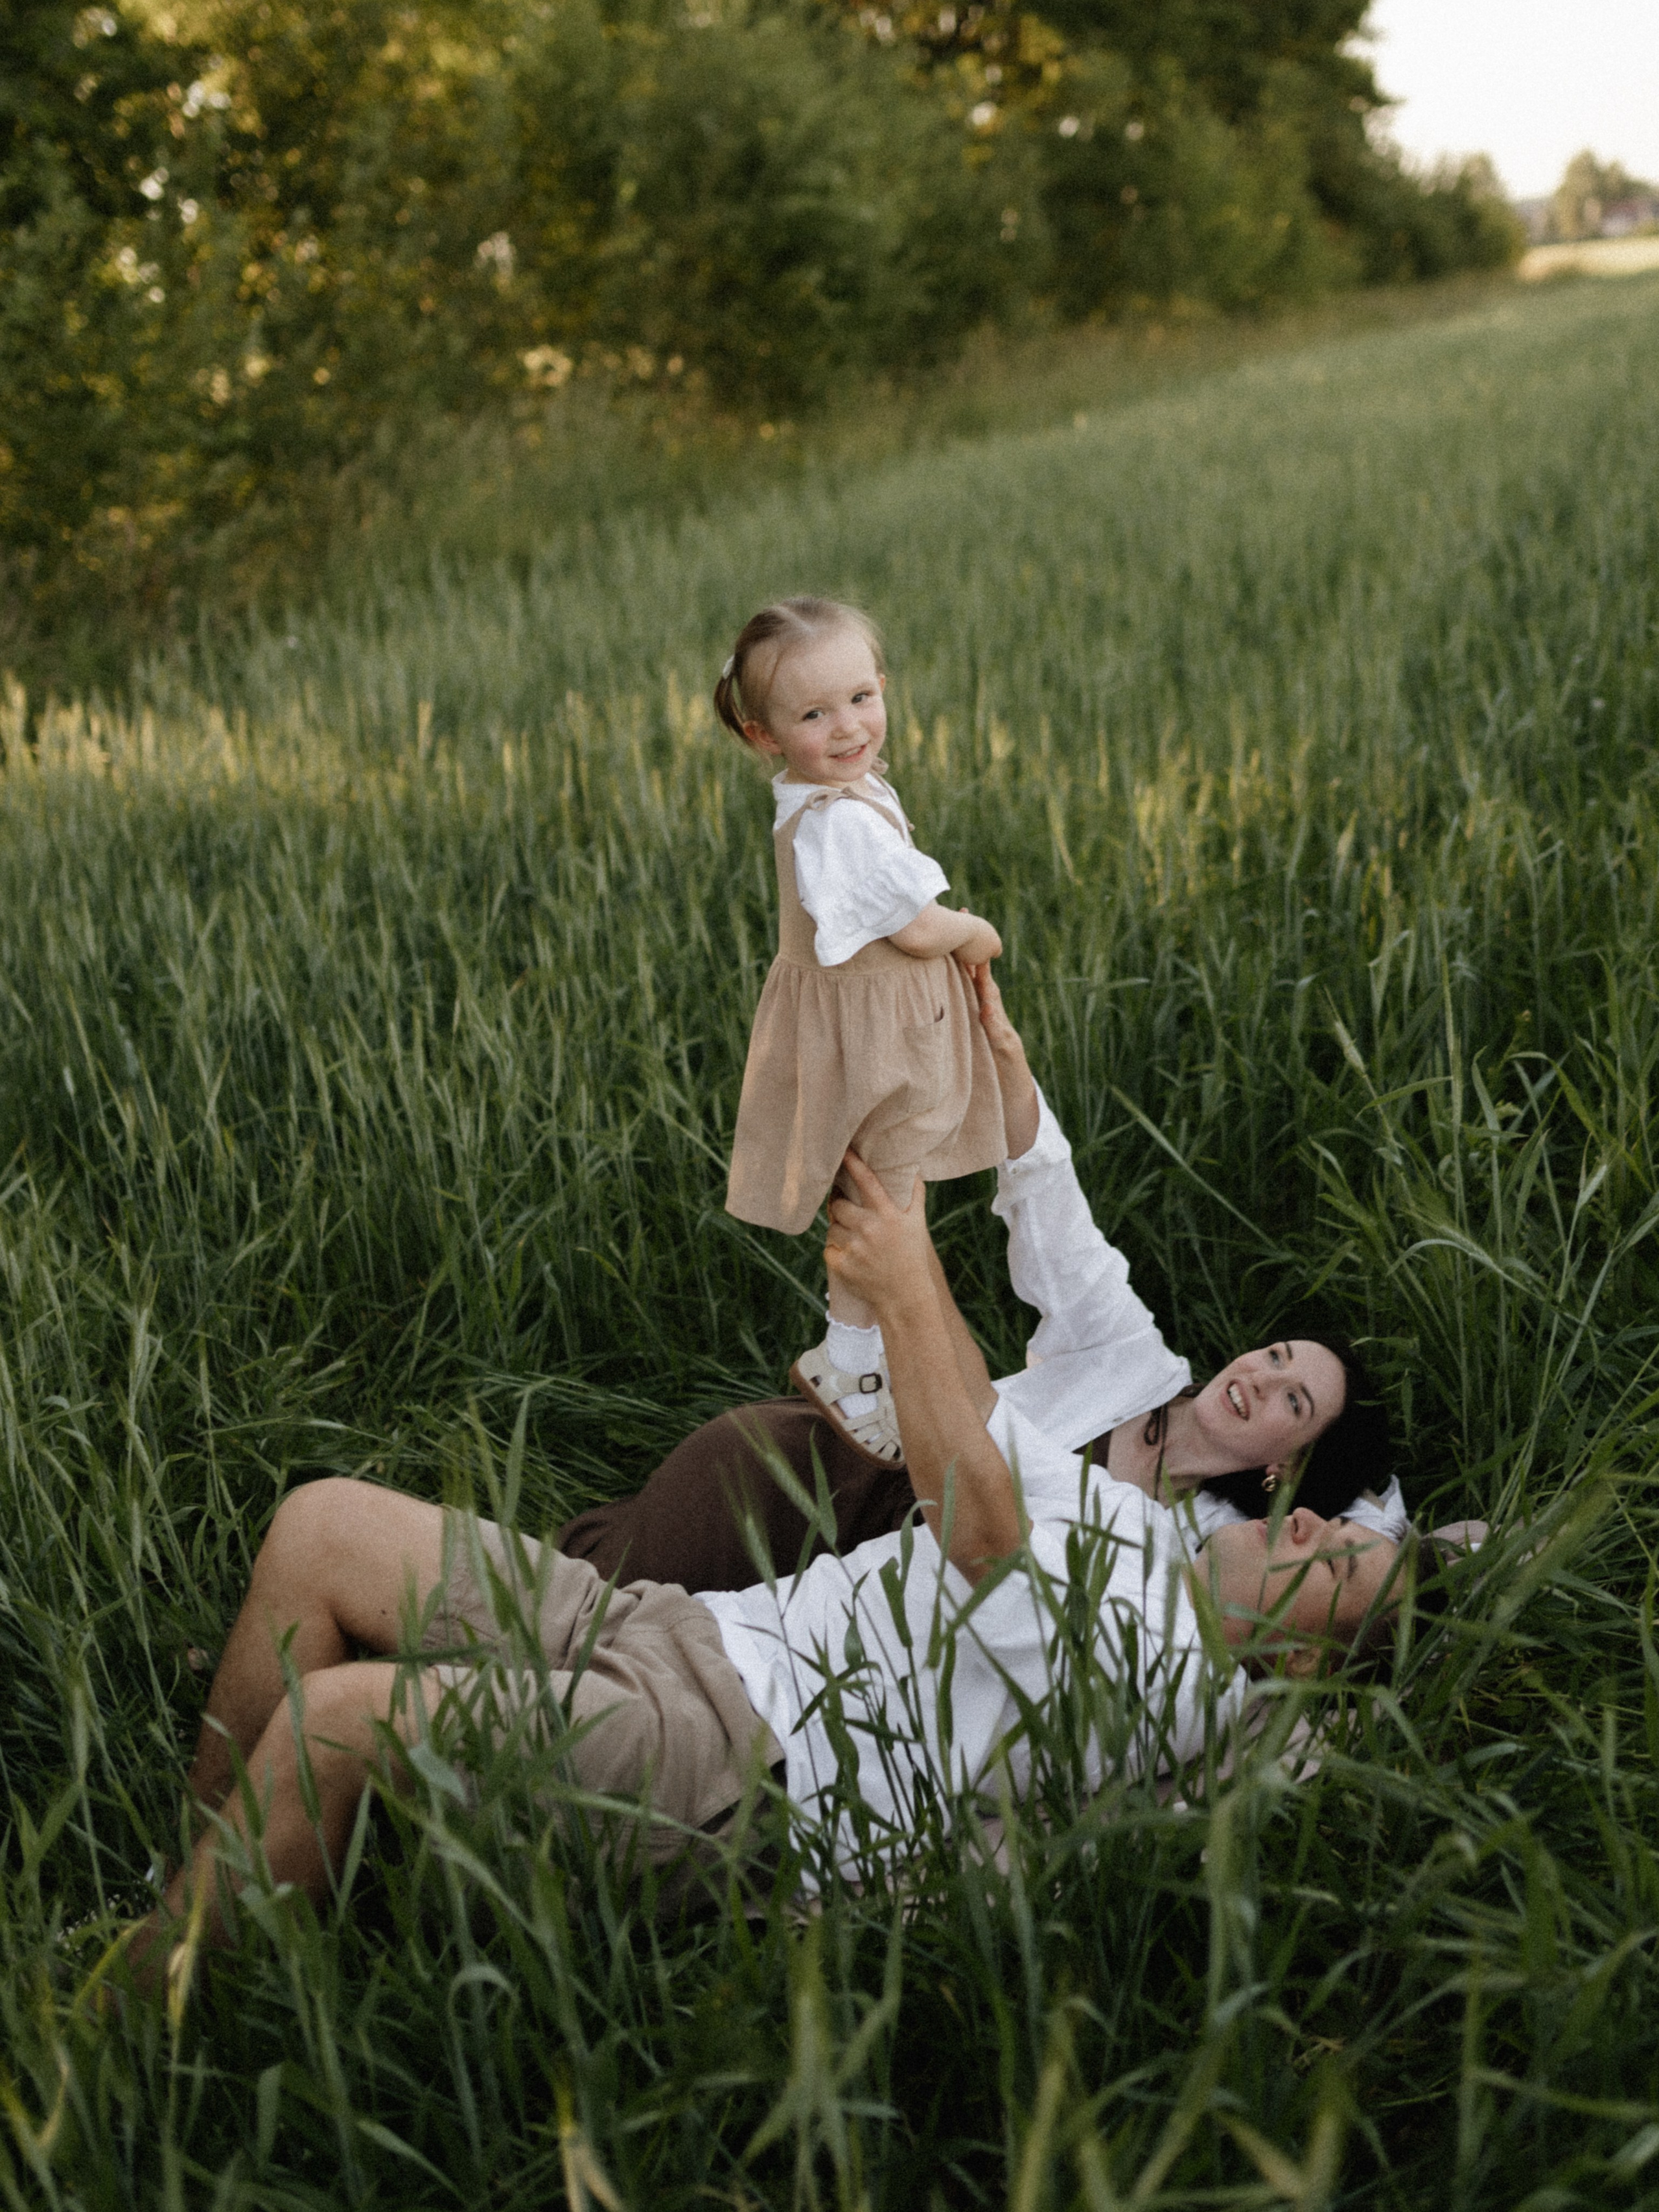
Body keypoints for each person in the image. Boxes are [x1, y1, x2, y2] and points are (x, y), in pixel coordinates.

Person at [136, 1151, 1402, 1977]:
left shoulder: (1172, 1677)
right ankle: (200, 1892)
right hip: (695, 1630)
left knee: (350, 1719)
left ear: (1288, 1657)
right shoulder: (1127, 1526)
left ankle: (150, 2017)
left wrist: (906, 1294)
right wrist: (897, 1243)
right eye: (1325, 1522)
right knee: (321, 1522)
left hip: (741, 1758)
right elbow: (970, 1415)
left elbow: (984, 1543)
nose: (1303, 1527)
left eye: (1330, 1557)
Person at [558, 962, 1408, 1598]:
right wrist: (1001, 1057)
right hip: (838, 1476)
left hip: (881, 1599)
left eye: (1295, 1401)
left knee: (629, 1656)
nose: (1263, 1377)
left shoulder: (1218, 1554)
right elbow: (1050, 1193)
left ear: (1288, 1470)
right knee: (585, 1604)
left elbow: (1382, 1537)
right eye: (1277, 1355)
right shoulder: (1128, 1356)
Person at [716, 597, 1006, 1467]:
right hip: (881, 1044)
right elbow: (919, 929)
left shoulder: (839, 791)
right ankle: (853, 1362)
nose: (848, 727)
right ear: (764, 733)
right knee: (887, 1198)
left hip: (874, 1025)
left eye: (860, 698)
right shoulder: (839, 822)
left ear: (884, 688)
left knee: (884, 1192)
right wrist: (977, 931)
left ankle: (866, 1351)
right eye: (813, 714)